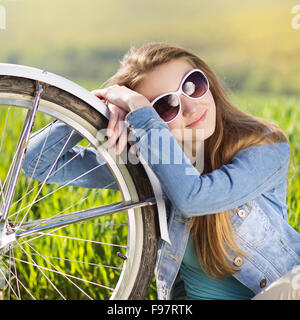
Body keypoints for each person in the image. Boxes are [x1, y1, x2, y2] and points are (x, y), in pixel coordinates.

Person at [22, 42, 300, 300]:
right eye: (165, 107)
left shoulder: (265, 146)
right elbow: (37, 163)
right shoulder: (146, 166)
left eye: (192, 85)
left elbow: (194, 198)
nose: (191, 107)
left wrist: (142, 109)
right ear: (144, 123)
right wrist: (99, 107)